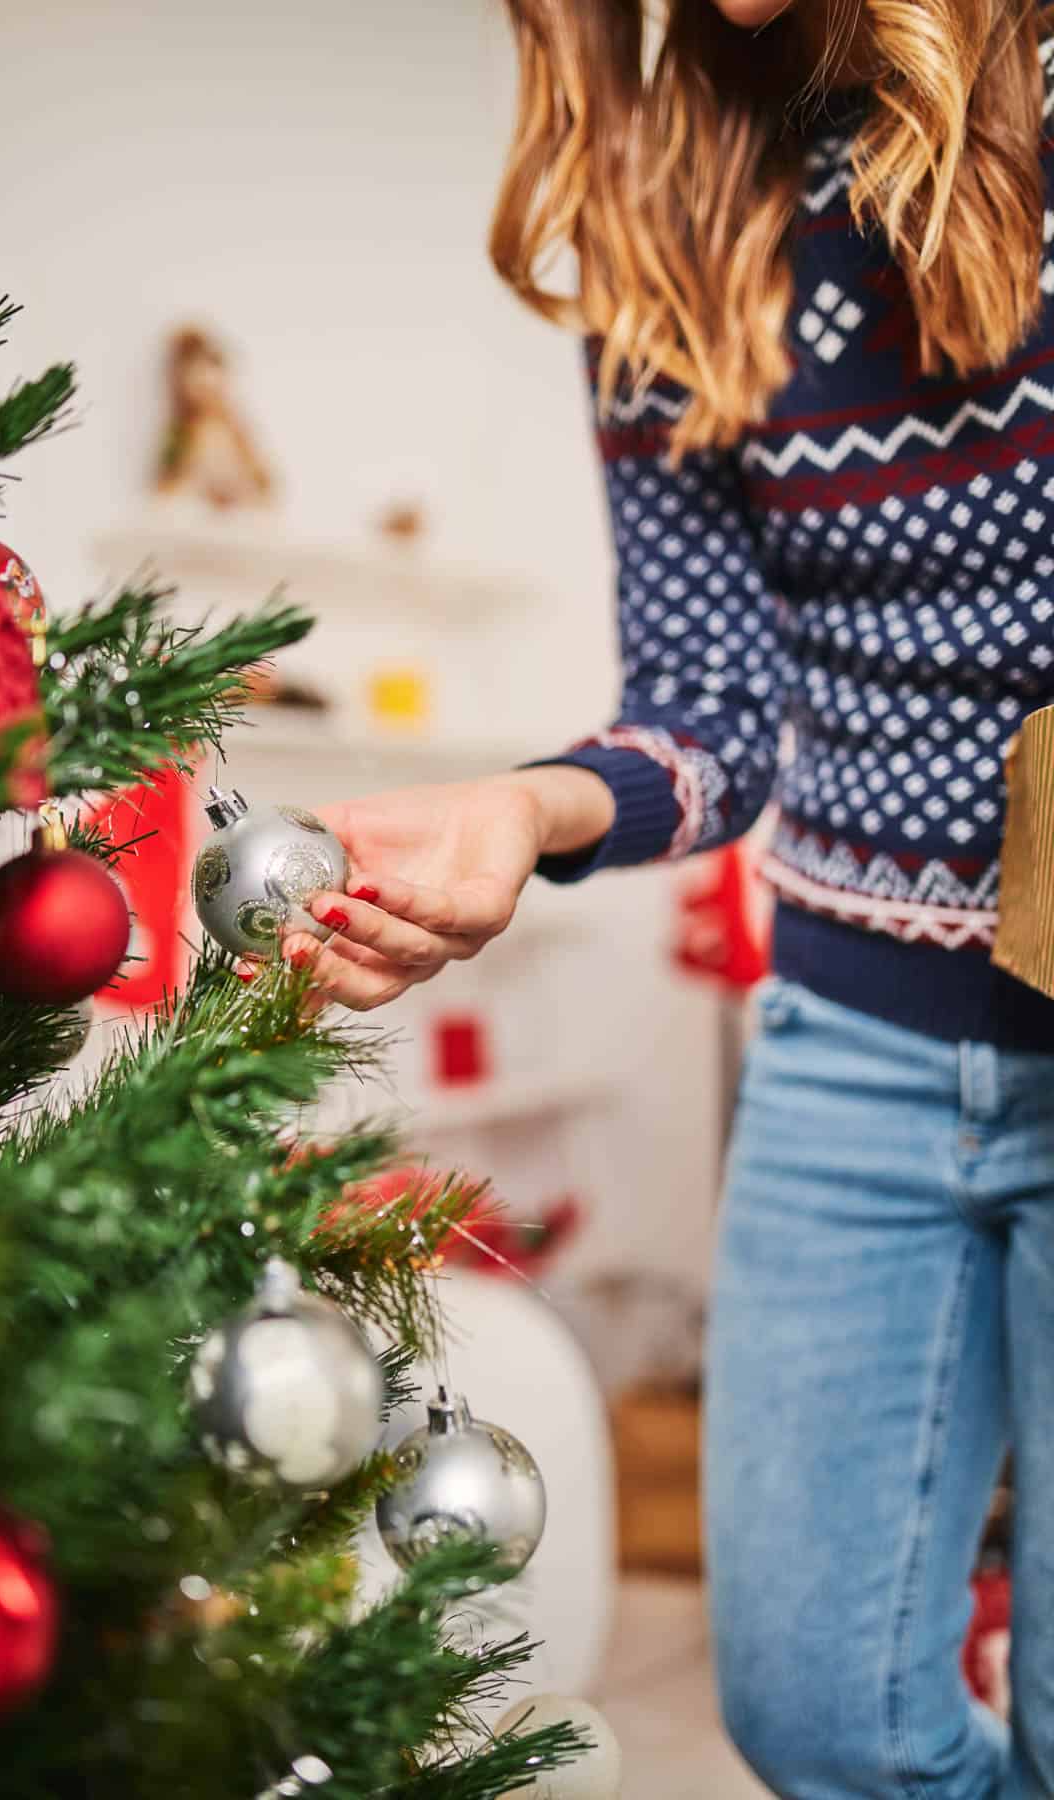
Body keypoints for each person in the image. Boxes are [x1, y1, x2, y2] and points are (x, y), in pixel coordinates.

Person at [283, 2, 1054, 1794]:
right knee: (815, 1708)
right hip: (850, 1041)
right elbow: (712, 717)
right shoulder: (667, 215)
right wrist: (531, 808)